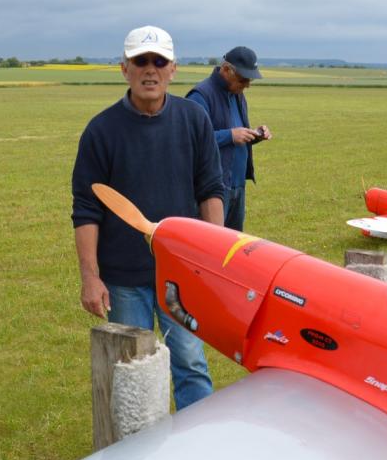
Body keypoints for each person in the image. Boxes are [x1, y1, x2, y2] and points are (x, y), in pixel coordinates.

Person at [71, 26, 226, 410]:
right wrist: (90, 277)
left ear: (173, 68)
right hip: (124, 277)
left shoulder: (194, 120)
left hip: (181, 275)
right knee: (132, 370)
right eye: (141, 61)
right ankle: (138, 442)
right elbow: (86, 209)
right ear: (125, 68)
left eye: (159, 61)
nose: (150, 69)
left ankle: (196, 437)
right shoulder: (101, 130)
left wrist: (215, 262)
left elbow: (210, 191)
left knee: (191, 362)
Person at [186, 46, 273, 231]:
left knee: (234, 243)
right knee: (211, 242)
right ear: (226, 70)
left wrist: (254, 135)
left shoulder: (237, 94)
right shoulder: (200, 96)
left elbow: (236, 132)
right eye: (243, 79)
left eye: (250, 80)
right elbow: (191, 140)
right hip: (214, 189)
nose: (247, 85)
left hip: (237, 186)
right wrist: (230, 135)